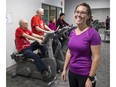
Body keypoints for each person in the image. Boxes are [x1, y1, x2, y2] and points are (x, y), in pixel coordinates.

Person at [61, 2, 101, 87]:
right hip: (72, 72)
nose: (78, 15)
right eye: (77, 12)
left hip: (85, 74)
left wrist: (90, 78)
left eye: (82, 12)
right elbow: (69, 52)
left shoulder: (93, 34)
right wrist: (64, 69)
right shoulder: (72, 32)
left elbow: (96, 57)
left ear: (88, 16)